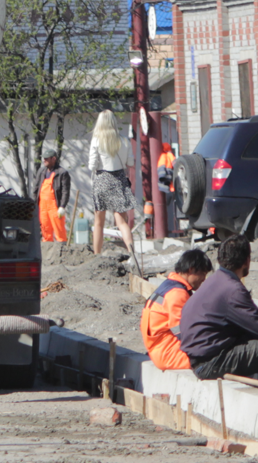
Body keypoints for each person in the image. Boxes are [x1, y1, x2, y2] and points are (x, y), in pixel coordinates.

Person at [177, 236, 258, 385]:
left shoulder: (214, 280)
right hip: (210, 363)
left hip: (200, 357)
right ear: (246, 261)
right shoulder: (233, 289)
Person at [140, 249, 213, 370]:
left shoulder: (168, 286)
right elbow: (182, 332)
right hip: (169, 354)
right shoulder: (177, 293)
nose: (204, 279)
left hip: (158, 349)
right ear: (191, 270)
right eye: (203, 274)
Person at [87, 110, 137, 256]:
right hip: (119, 180)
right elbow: (130, 162)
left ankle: (97, 255)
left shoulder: (96, 140)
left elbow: (92, 166)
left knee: (99, 223)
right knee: (121, 222)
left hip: (102, 179)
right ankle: (131, 252)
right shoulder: (124, 140)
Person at [37, 151, 72, 243]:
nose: (44, 160)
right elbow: (36, 188)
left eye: (47, 158)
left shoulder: (62, 173)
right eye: (44, 158)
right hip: (42, 206)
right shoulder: (41, 171)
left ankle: (62, 248)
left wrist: (62, 206)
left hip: (55, 206)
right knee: (45, 228)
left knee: (59, 228)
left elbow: (65, 191)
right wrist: (34, 204)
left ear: (54, 159)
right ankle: (47, 250)